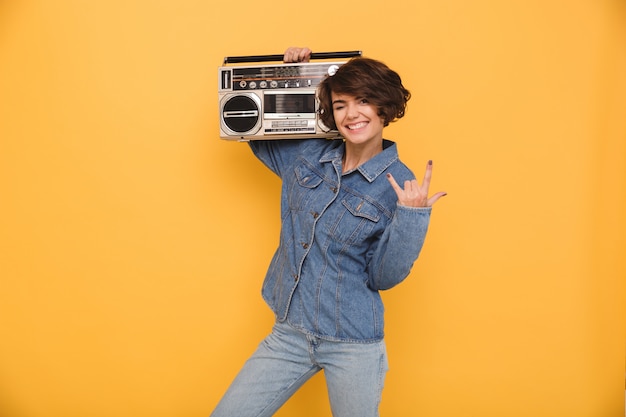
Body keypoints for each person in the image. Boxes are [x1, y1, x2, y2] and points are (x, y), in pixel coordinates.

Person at [210, 47, 446, 417]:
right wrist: (288, 78)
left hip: (352, 342)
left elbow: (383, 276)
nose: (351, 114)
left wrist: (411, 219)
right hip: (291, 332)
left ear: (384, 108)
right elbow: (255, 132)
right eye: (340, 105)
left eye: (364, 101)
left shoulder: (399, 184)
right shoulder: (306, 154)